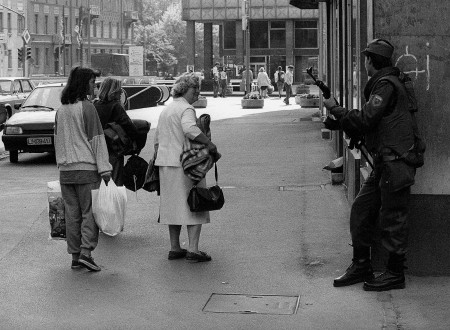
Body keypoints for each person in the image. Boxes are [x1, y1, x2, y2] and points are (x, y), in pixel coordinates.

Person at [323, 39, 416, 291]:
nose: (362, 63)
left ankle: (395, 274)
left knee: (393, 218)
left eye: (364, 59)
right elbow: (375, 123)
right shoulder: (386, 84)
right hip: (385, 163)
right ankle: (361, 264)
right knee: (361, 210)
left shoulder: (385, 85)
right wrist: (339, 122)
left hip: (395, 163)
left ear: (369, 61)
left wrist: (338, 111)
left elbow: (366, 118)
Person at [154, 73, 220, 263]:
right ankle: (193, 249)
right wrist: (209, 143)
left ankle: (175, 247)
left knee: (172, 206)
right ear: (184, 90)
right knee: (196, 202)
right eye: (194, 90)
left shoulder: (167, 110)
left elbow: (157, 138)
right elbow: (190, 129)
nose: (197, 93)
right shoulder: (186, 108)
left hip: (165, 163)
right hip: (186, 164)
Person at [54, 66, 112, 272]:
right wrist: (105, 169)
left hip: (66, 171)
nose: (94, 87)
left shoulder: (61, 110)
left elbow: (57, 141)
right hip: (87, 169)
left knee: (71, 214)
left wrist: (61, 163)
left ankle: (75, 256)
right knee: (90, 213)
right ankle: (87, 252)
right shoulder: (87, 108)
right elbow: (97, 140)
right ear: (83, 84)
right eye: (91, 83)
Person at [93, 77, 139, 186]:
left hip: (97, 150)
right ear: (113, 91)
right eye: (119, 90)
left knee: (101, 183)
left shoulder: (94, 105)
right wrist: (136, 139)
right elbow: (128, 126)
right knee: (115, 182)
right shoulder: (116, 106)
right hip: (113, 148)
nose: (121, 93)